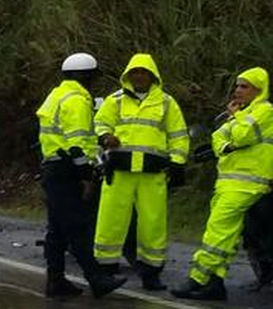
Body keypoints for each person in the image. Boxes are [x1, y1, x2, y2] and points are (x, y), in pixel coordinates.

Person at [171, 67, 273, 300]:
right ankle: (215, 284)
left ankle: (197, 278)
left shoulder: (265, 111)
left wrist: (232, 124)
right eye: (237, 85)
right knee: (225, 236)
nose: (238, 90)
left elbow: (240, 137)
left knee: (217, 232)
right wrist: (228, 136)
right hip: (229, 183)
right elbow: (218, 140)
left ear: (259, 90)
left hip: (248, 184)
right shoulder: (244, 114)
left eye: (244, 86)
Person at [93, 53, 189, 290]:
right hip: (120, 170)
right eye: (134, 72)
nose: (139, 76)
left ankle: (151, 273)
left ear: (152, 76)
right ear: (128, 76)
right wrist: (106, 137)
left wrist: (177, 163)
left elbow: (178, 135)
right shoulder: (114, 101)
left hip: (152, 173)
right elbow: (100, 123)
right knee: (110, 221)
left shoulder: (167, 103)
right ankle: (105, 271)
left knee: (153, 223)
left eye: (144, 72)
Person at [36, 52, 127, 298]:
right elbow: (76, 144)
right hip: (67, 170)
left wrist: (98, 141)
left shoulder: (57, 95)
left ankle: (55, 282)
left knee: (57, 230)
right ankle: (97, 279)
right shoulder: (77, 100)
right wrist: (86, 175)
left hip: (53, 167)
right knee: (77, 226)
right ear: (87, 76)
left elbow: (71, 136)